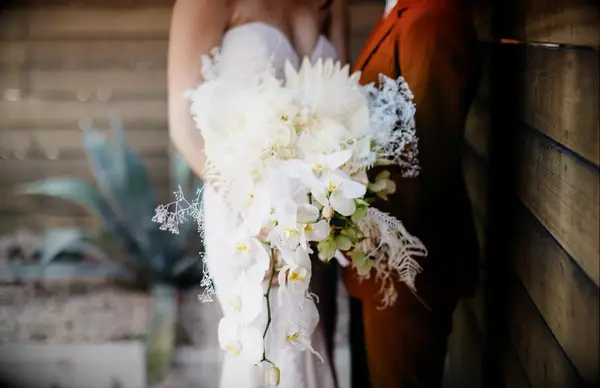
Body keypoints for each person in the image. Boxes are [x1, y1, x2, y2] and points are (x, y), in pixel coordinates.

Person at [167, 1, 348, 387]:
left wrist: (332, 195)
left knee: (314, 345)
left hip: (318, 217)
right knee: (264, 347)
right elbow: (183, 124)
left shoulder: (334, 4)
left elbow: (346, 98)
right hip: (244, 213)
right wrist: (262, 211)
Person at [343, 0, 481, 387]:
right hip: (378, 259)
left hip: (405, 265)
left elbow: (428, 161)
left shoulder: (432, 18)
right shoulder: (402, 11)